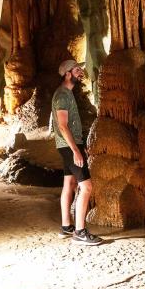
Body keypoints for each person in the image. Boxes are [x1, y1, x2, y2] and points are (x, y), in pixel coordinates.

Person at [52, 59, 103, 246]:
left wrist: (79, 146)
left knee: (70, 183)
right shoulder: (62, 96)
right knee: (87, 187)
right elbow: (63, 126)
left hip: (69, 145)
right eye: (77, 70)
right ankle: (80, 232)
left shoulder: (67, 94)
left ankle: (67, 226)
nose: (80, 72)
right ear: (67, 74)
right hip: (68, 146)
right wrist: (76, 150)